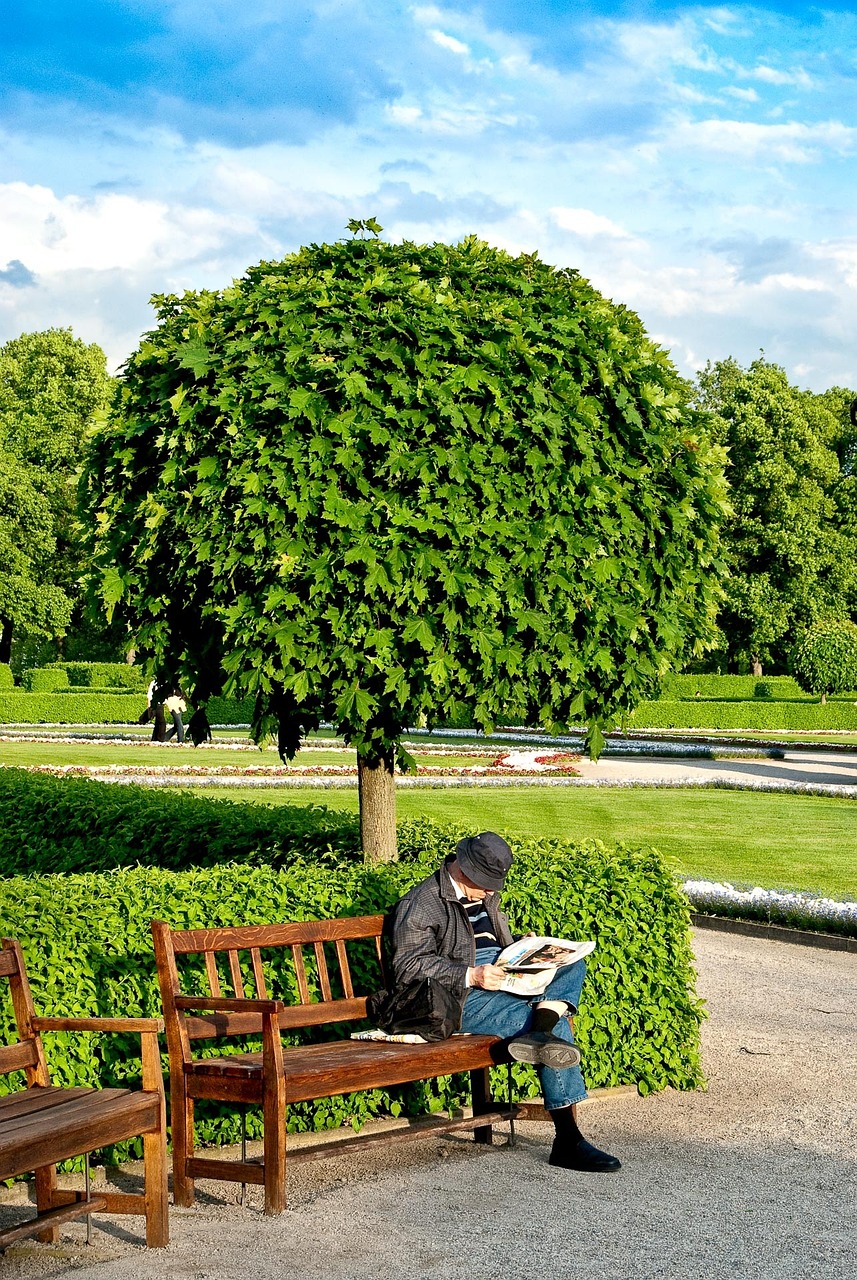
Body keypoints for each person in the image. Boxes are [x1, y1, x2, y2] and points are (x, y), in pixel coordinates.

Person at [391, 831, 621, 1173]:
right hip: (459, 997)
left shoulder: (483, 895)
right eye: (486, 883)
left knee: (572, 961)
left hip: (500, 976)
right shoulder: (421, 903)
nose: (491, 891)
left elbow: (487, 941)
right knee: (555, 1025)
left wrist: (522, 949)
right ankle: (567, 1139)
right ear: (464, 870)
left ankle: (539, 1031)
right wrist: (471, 975)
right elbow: (407, 966)